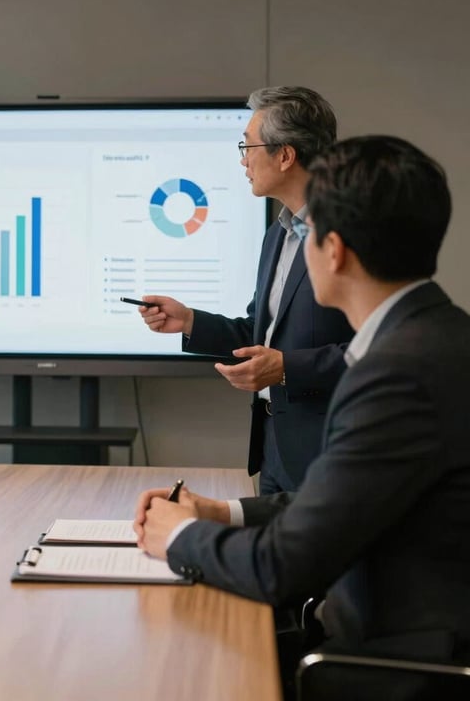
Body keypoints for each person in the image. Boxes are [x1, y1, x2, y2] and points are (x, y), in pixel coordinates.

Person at [134, 135, 470, 697]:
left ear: (332, 250)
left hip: (389, 666)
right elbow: (348, 497)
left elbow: (279, 569)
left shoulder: (397, 376)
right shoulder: (438, 337)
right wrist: (225, 512)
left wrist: (180, 536)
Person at [138, 86, 353, 494]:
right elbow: (260, 334)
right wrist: (188, 321)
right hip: (273, 449)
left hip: (328, 455)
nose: (243, 159)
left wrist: (288, 367)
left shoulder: (347, 235)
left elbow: (378, 350)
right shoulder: (278, 232)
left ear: (285, 155)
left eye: (248, 146)